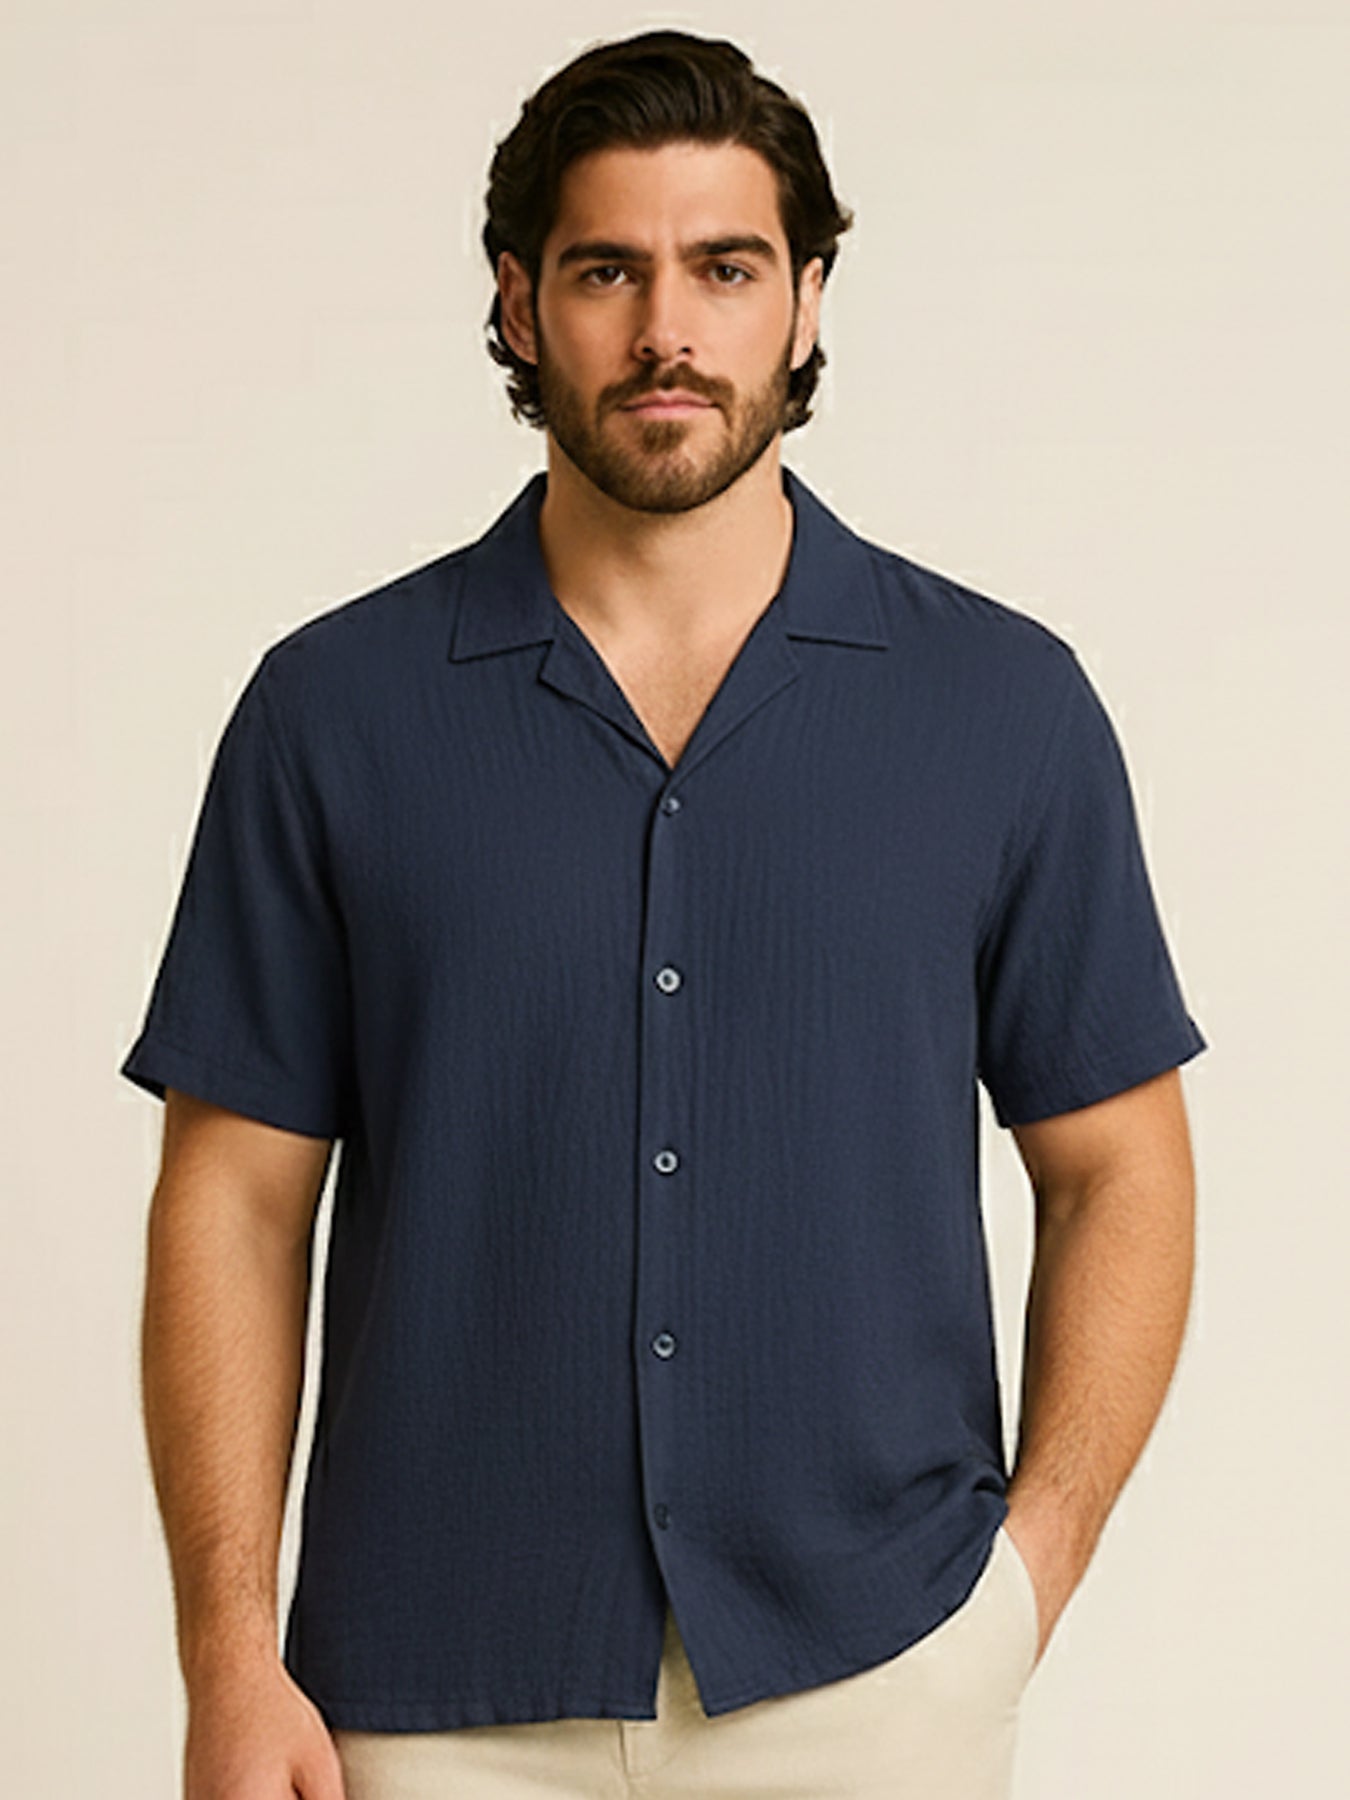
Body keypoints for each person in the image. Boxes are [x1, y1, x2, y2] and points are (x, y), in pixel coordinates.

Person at [120, 27, 1208, 1800]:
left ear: (806, 299)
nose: (665, 332)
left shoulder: (1001, 707)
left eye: (725, 267)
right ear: (518, 303)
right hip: (425, 1695)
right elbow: (234, 1203)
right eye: (606, 270)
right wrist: (228, 1660)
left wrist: (1023, 1583)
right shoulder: (332, 712)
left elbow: (1119, 1171)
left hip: (871, 1677)